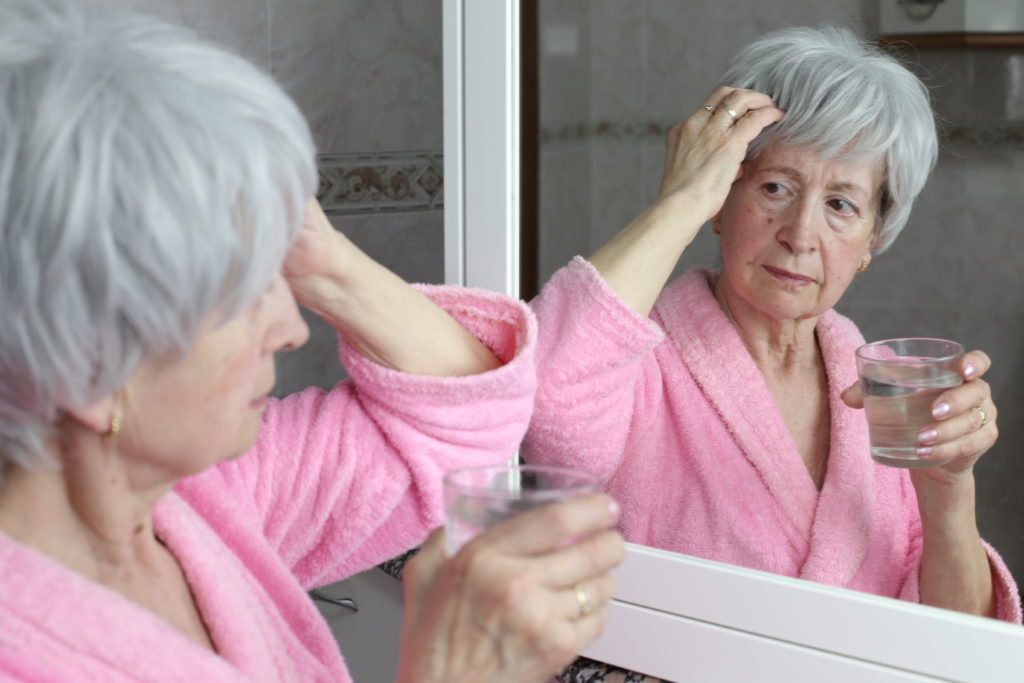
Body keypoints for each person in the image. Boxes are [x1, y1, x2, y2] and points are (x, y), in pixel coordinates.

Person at [0, 1, 624, 681]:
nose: (294, 326)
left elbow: (459, 413)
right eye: (243, 294)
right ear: (91, 368)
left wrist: (320, 257)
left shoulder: (201, 502)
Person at [525, 24, 1021, 629]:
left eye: (841, 204)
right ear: (719, 201)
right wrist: (678, 201)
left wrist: (947, 491)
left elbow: (958, 638)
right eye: (775, 187)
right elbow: (544, 403)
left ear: (872, 239)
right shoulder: (634, 367)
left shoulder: (885, 398)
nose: (800, 234)